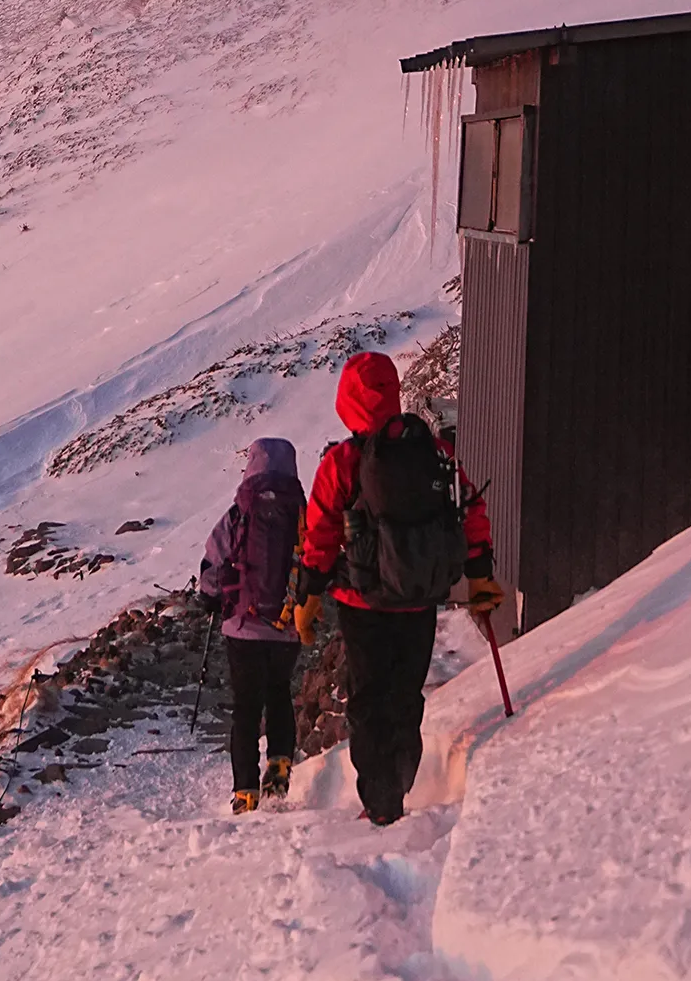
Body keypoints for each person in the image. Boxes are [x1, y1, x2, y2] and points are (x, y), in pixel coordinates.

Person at [293, 351, 500, 826]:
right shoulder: (433, 452)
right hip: (419, 599)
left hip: (363, 603)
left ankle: (381, 801)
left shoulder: (342, 462)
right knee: (405, 696)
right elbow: (468, 510)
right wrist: (481, 574)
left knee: (369, 700)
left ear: (345, 402)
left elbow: (321, 534)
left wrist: (307, 596)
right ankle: (401, 782)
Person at [198, 438, 307, 814]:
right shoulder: (300, 510)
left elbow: (214, 557)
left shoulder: (240, 511)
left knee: (245, 708)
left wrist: (210, 596)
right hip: (286, 623)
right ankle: (279, 763)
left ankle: (245, 789)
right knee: (279, 692)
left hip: (243, 626)